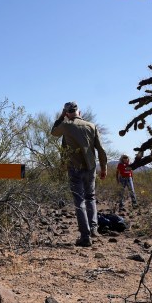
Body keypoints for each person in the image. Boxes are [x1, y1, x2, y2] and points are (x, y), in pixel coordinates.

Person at [51, 101, 108, 247]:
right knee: (91, 198)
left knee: (79, 201)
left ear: (66, 113)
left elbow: (53, 132)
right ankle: (94, 229)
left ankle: (85, 236)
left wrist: (61, 117)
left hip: (74, 168)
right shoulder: (91, 126)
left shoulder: (66, 125)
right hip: (91, 168)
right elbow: (101, 149)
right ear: (79, 113)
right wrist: (104, 167)